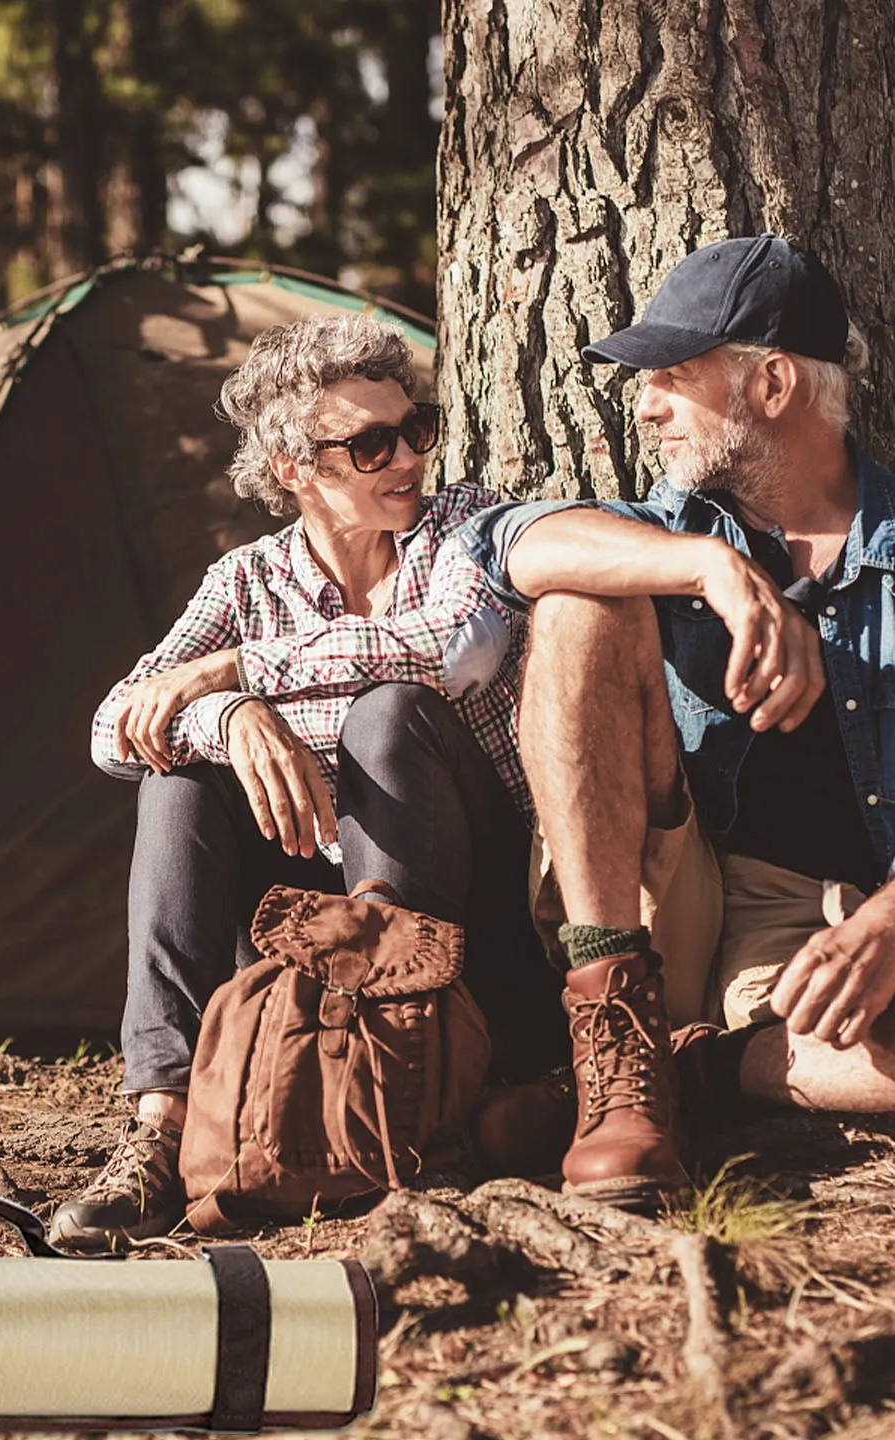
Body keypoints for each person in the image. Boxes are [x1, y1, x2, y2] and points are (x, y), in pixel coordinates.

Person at [48, 313, 562, 1255]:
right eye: (369, 444)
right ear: (295, 469)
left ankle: (403, 1090)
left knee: (389, 713)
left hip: (465, 923)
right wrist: (227, 717)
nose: (406, 456)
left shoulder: (462, 527)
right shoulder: (246, 578)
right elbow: (113, 727)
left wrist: (239, 670)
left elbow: (447, 653)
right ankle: (159, 1129)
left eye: (417, 427)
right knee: (179, 778)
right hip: (309, 922)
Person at [460, 234, 895, 1213]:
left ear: (772, 383)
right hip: (672, 895)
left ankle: (697, 1073)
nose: (644, 404)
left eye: (670, 376)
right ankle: (613, 1037)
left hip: (826, 933)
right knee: (578, 604)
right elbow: (495, 546)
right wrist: (710, 572)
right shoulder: (665, 533)